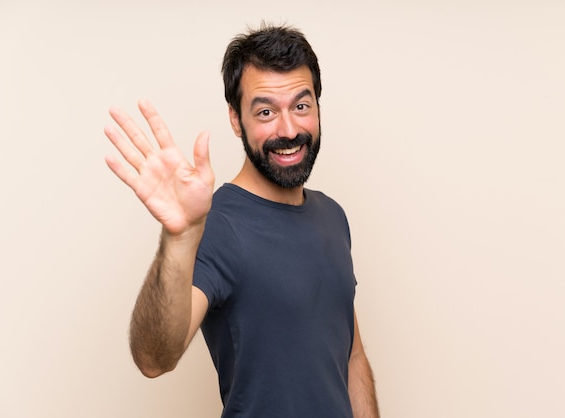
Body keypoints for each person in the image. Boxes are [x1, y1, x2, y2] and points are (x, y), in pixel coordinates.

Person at [104, 23, 380, 418]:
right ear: (236, 120)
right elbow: (154, 358)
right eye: (265, 111)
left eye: (301, 106)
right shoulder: (216, 225)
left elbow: (351, 355)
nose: (288, 130)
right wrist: (179, 235)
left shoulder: (333, 216)